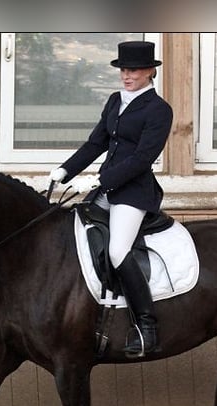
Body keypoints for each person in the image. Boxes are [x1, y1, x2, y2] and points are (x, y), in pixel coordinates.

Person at [47, 40, 173, 358]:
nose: (127, 76)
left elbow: (143, 158)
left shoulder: (159, 110)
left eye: (133, 70)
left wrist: (103, 179)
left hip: (133, 193)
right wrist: (64, 170)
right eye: (123, 70)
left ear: (149, 71)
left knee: (118, 250)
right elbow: (96, 143)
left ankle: (146, 327)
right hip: (106, 190)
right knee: (76, 234)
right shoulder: (115, 101)